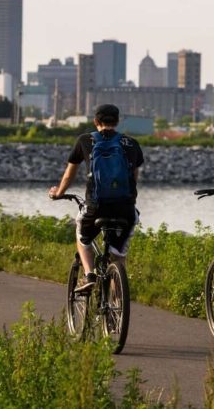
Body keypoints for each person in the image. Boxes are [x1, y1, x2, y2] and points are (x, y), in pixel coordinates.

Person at [49, 104, 144, 292]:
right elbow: (133, 178)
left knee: (82, 236)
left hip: (96, 206)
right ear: (118, 121)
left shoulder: (85, 140)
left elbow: (69, 176)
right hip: (125, 208)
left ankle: (89, 275)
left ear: (95, 121)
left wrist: (58, 193)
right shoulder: (132, 143)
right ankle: (118, 309)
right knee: (118, 258)